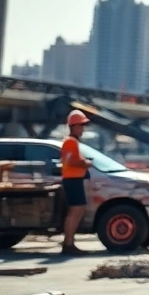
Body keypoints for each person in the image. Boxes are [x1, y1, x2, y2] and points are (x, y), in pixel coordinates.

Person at [60, 109, 92, 256]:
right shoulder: (71, 142)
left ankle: (69, 242)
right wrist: (86, 163)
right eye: (81, 125)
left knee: (78, 210)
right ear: (74, 126)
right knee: (75, 211)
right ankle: (68, 243)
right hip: (72, 180)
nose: (83, 129)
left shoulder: (71, 142)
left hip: (74, 180)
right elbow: (71, 161)